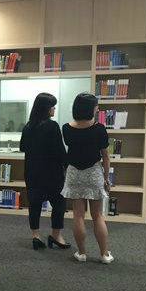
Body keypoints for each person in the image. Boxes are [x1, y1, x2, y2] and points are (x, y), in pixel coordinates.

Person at [61, 93, 114, 264]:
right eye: (96, 107)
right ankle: (104, 254)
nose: (97, 109)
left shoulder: (66, 128)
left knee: (78, 215)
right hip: (93, 173)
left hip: (74, 173)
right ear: (91, 108)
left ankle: (82, 253)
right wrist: (107, 178)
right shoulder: (100, 129)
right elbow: (105, 156)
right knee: (97, 216)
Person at [19, 93, 69, 251]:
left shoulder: (28, 126)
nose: (54, 108)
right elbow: (60, 151)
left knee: (34, 204)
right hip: (51, 172)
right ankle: (56, 235)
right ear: (46, 108)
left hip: (32, 171)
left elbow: (22, 147)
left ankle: (36, 236)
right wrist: (67, 165)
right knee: (59, 203)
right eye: (52, 106)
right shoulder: (52, 126)